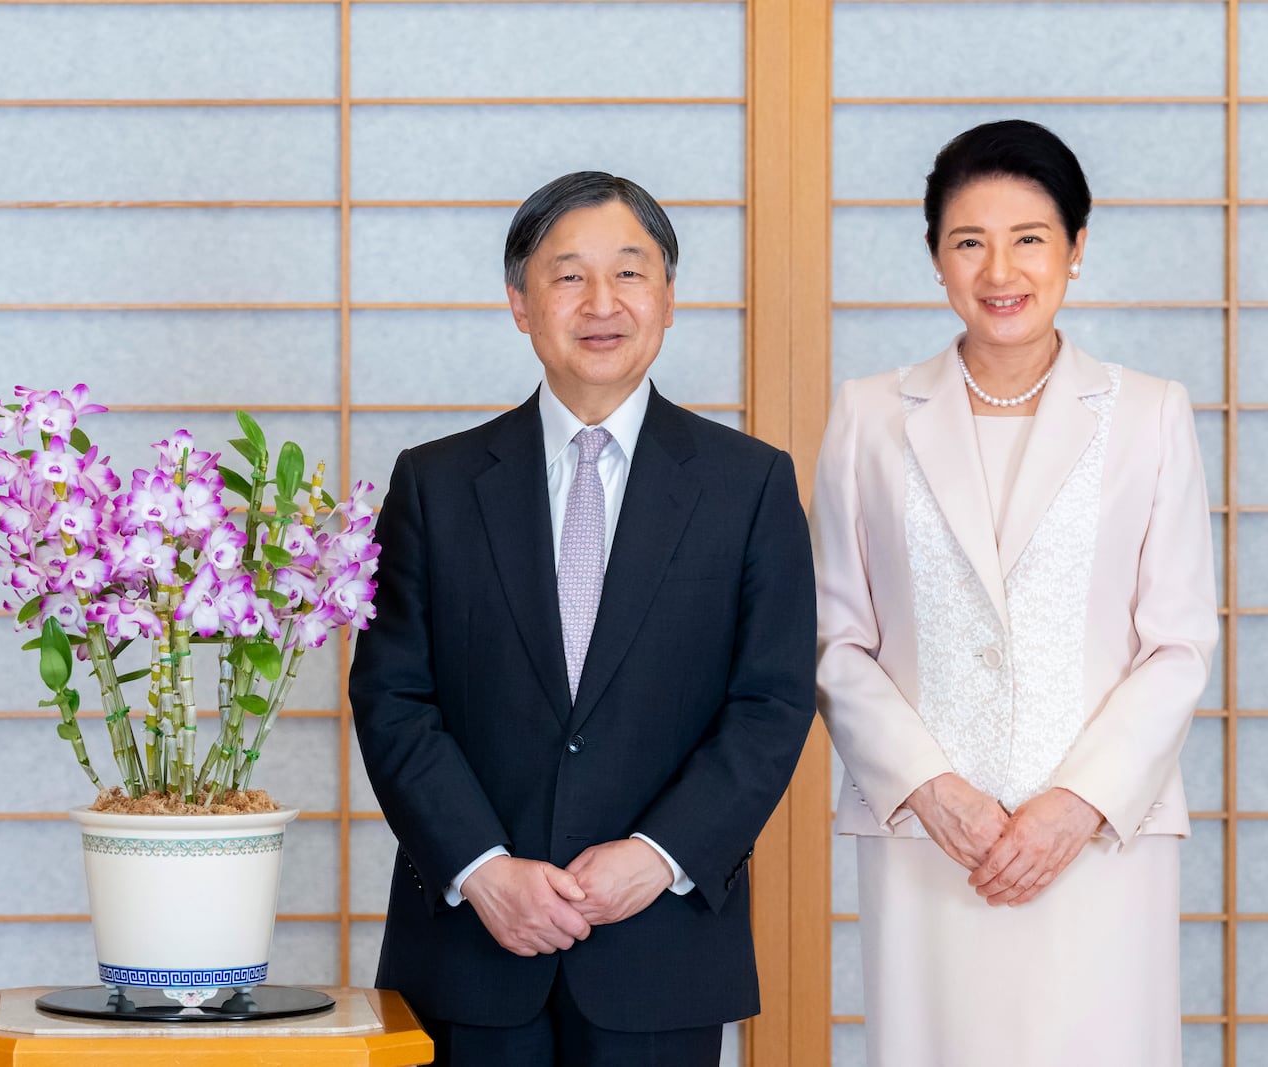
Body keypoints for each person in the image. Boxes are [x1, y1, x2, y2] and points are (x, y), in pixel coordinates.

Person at [350, 171, 816, 1067]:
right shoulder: (436, 485)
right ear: (521, 304)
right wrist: (482, 869)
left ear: (670, 299)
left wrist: (656, 853)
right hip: (475, 947)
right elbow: (393, 697)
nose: (601, 302)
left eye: (630, 273)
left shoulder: (749, 485)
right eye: (567, 276)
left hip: (662, 945)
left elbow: (772, 702)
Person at [813, 120, 1218, 1066]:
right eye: (969, 240)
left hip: (1103, 840)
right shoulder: (868, 415)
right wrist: (933, 788)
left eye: (1029, 237)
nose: (1001, 268)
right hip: (930, 838)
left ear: (1076, 248)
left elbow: (1179, 643)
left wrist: (1075, 804)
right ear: (935, 258)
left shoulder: (1151, 413)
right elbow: (836, 637)